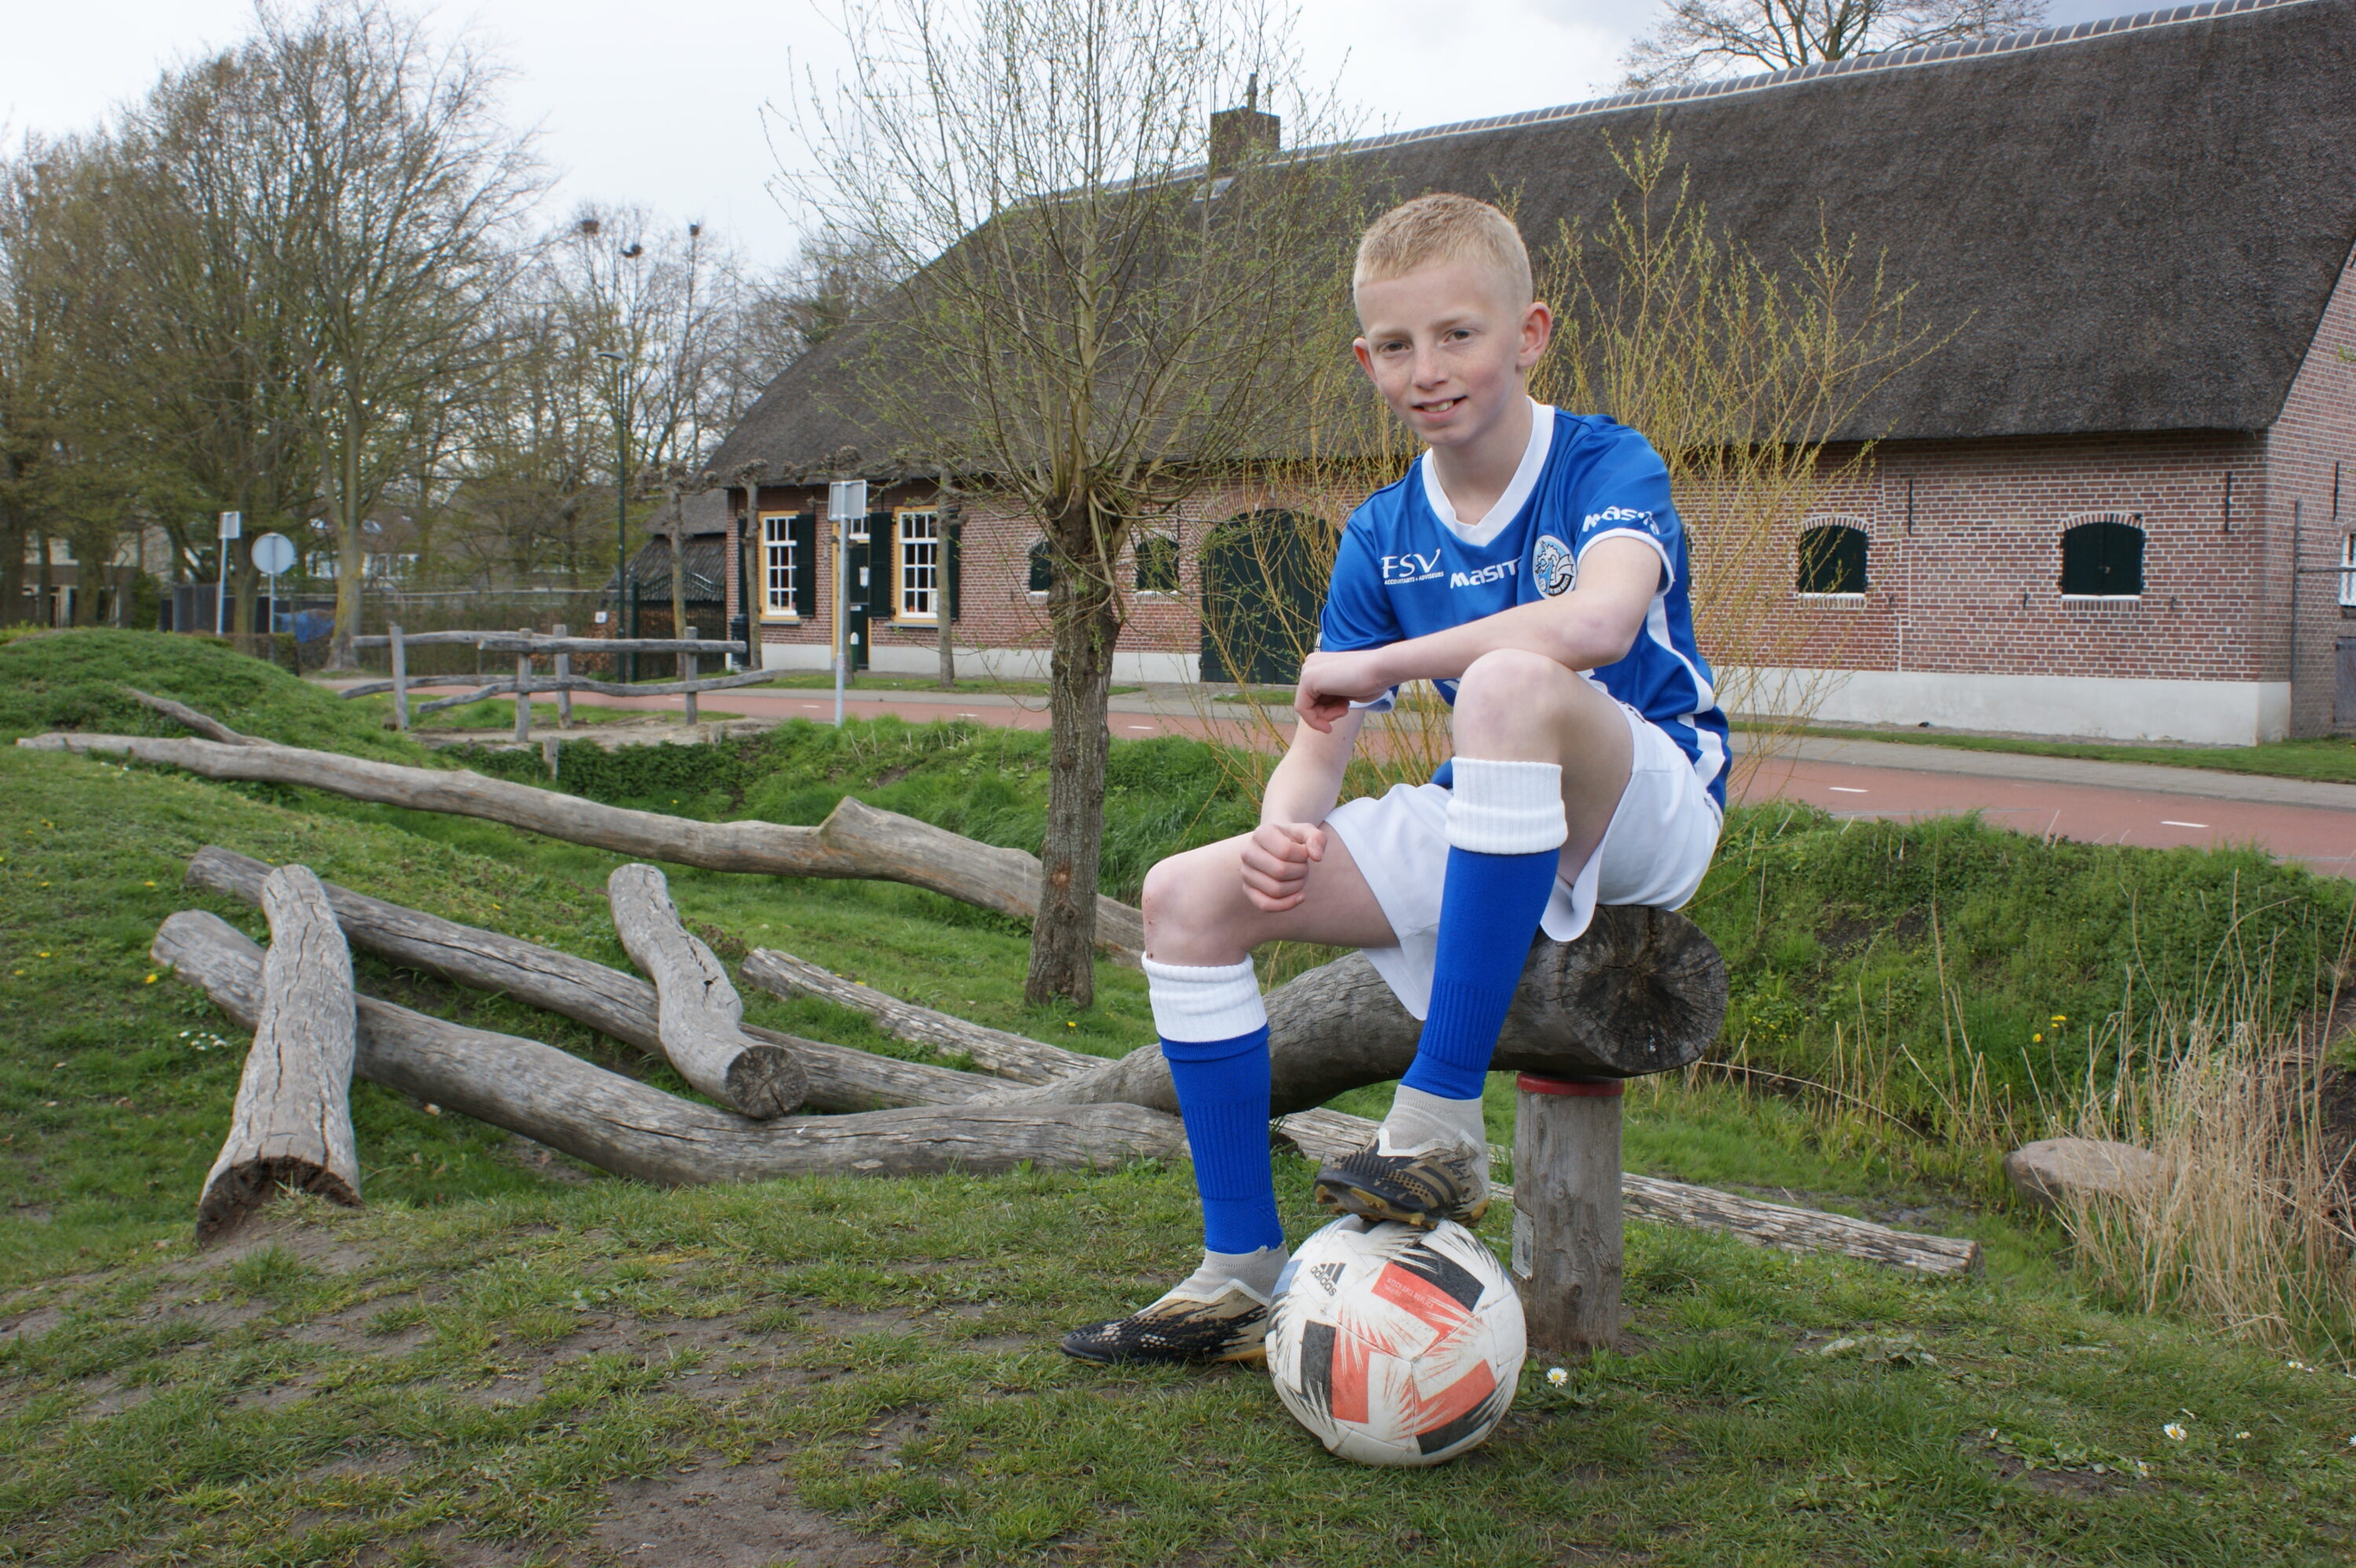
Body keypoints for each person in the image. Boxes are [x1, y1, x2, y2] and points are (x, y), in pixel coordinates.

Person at [1060, 192, 1728, 1366]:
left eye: (1459, 334)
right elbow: (1325, 727)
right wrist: (1283, 826)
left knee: (1509, 684)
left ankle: (1439, 1119)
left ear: (1529, 334)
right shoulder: (1380, 529)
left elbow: (1604, 621)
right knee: (1184, 896)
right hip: (1499, 791)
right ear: (1366, 359)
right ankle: (1239, 1271)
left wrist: (1383, 661)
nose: (1430, 368)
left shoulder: (1602, 458)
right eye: (1399, 346)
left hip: (1643, 797)